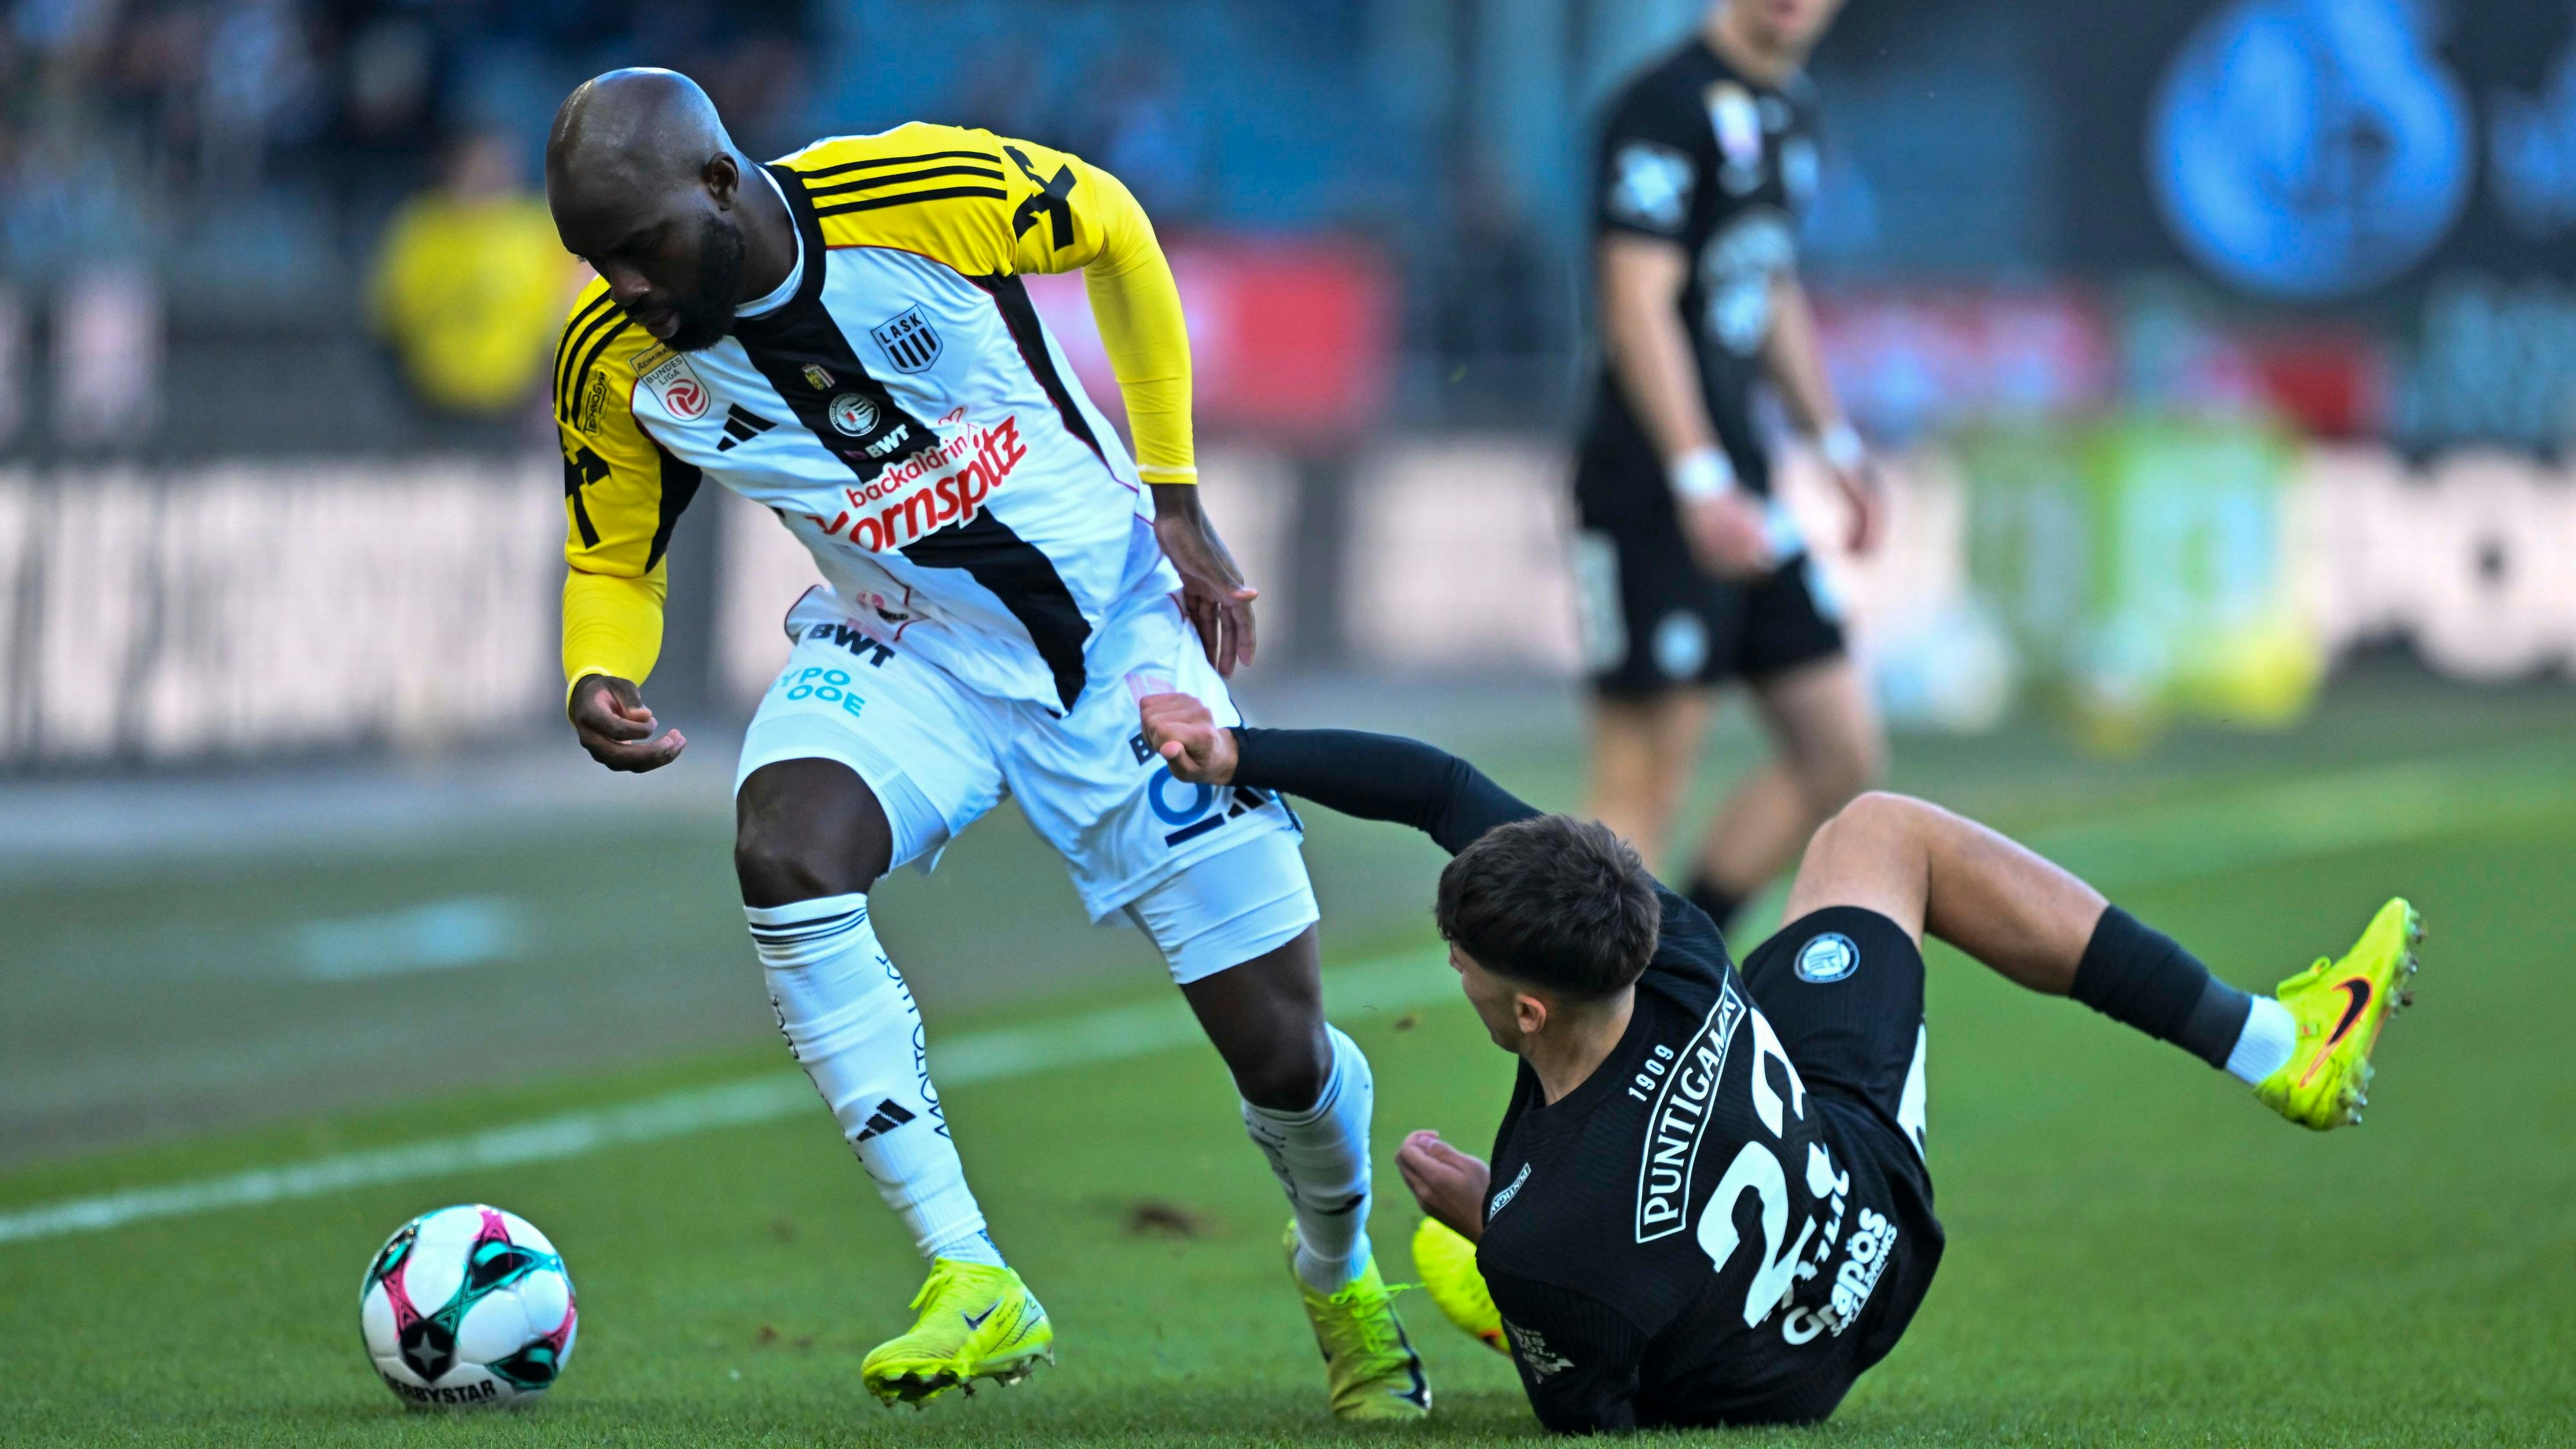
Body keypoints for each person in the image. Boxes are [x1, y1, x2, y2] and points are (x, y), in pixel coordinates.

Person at [541, 70, 1425, 1419]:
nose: (626, 287)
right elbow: (611, 557)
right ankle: (968, 1270)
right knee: (784, 847)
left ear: (719, 183)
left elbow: (1118, 229)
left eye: (640, 246)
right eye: (597, 261)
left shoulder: (916, 195)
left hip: (1115, 647)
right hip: (909, 653)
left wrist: (1174, 490)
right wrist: (597, 666)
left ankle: (1339, 1272)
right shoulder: (614, 361)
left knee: (1283, 1057)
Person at [1136, 692, 2421, 1432]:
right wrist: (1242, 755)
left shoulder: (1552, 1233)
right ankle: (2267, 1043)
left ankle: (1507, 1299)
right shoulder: (1672, 943)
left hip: (1806, 1349)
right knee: (1880, 832)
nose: (1452, 971)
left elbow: (1601, 1420)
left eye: (1461, 960)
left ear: (1528, 1010)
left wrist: (1499, 1240)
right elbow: (1436, 785)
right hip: (1846, 1168)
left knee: (1555, 1283)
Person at [1577, 0, 1883, 936]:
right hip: (1653, 483)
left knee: (1839, 753)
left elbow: (1769, 281)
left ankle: (1689, 951)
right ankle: (1574, 1040)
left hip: (1744, 478)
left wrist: (1833, 444)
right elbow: (1637, 303)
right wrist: (1698, 477)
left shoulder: (1791, 109)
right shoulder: (1661, 104)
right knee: (1641, 786)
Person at [370, 132, 577, 417]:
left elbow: (570, 304)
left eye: (499, 162)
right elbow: (389, 311)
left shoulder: (540, 227)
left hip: (517, 398)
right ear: (455, 165)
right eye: (480, 162)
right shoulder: (421, 226)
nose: (490, 172)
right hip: (428, 395)